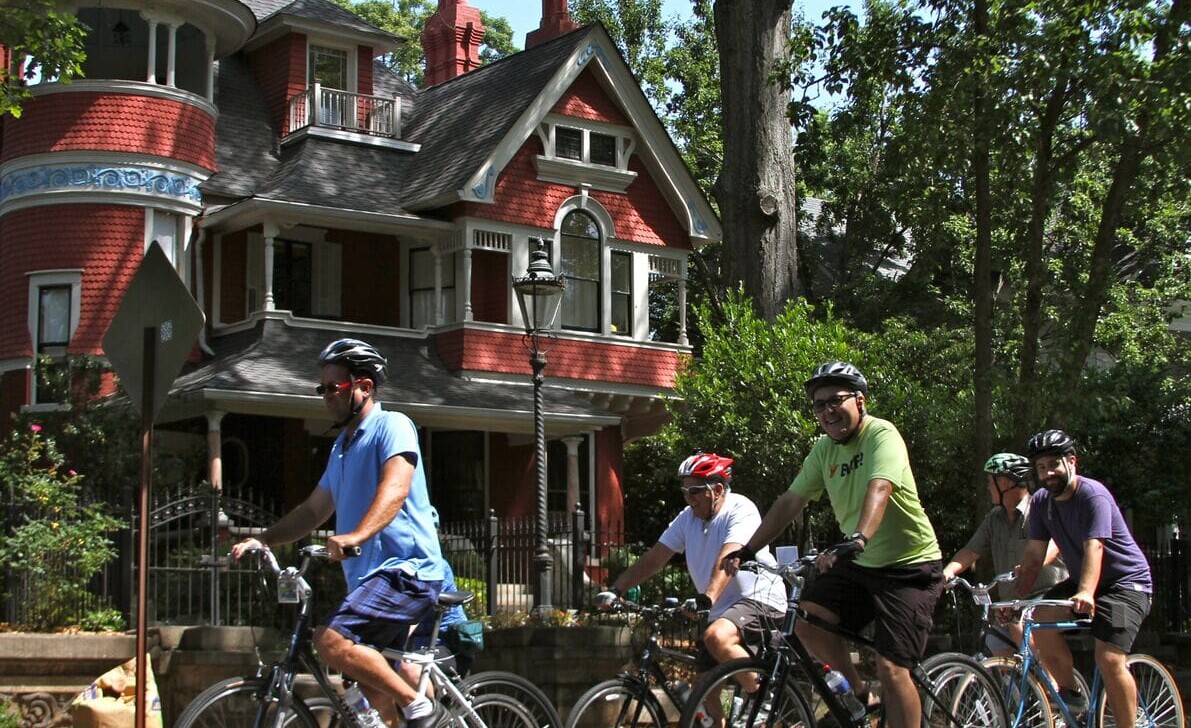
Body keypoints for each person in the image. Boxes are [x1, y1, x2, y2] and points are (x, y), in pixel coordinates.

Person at [231, 338, 446, 728]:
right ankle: (410, 710)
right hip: (369, 579)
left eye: (334, 388)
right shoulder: (342, 448)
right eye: (322, 389)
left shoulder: (392, 426)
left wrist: (356, 536)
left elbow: (395, 488)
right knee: (371, 683)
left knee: (329, 641)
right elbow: (314, 510)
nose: (326, 396)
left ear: (364, 387)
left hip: (407, 572)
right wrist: (264, 539)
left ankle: (421, 707)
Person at [723, 361, 943, 728]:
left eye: (835, 401)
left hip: (909, 567)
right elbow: (791, 501)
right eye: (819, 405)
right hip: (861, 564)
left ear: (860, 401)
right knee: (807, 622)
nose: (827, 411)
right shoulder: (824, 449)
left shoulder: (881, 434)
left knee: (891, 668)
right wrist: (747, 549)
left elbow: (881, 486)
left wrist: (859, 536)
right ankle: (859, 698)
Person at [595, 451, 787, 674]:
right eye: (684, 492)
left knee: (716, 638)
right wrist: (616, 589)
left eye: (694, 491)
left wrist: (706, 598)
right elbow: (655, 557)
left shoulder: (741, 509)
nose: (688, 498)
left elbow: (729, 557)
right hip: (720, 610)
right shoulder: (688, 518)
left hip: (758, 600)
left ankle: (763, 700)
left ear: (716, 490)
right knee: (703, 694)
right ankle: (747, 700)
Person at [1014, 429, 1152, 724]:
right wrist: (1017, 599)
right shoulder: (1041, 502)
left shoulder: (1092, 494)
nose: (1047, 473)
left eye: (1053, 464)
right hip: (1082, 582)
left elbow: (1095, 547)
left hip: (1127, 584)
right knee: (1039, 621)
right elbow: (1035, 555)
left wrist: (1087, 592)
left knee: (1109, 659)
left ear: (1071, 461)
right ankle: (1072, 694)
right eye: (1040, 468)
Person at [942, 452, 1068, 654]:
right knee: (995, 643)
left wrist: (1031, 565)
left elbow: (1055, 545)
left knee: (1016, 623)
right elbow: (971, 551)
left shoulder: (1039, 509)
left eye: (990, 481)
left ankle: (1048, 680)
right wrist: (947, 572)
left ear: (1005, 482)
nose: (987, 487)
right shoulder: (994, 518)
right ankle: (1012, 685)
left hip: (1047, 597)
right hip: (1014, 603)